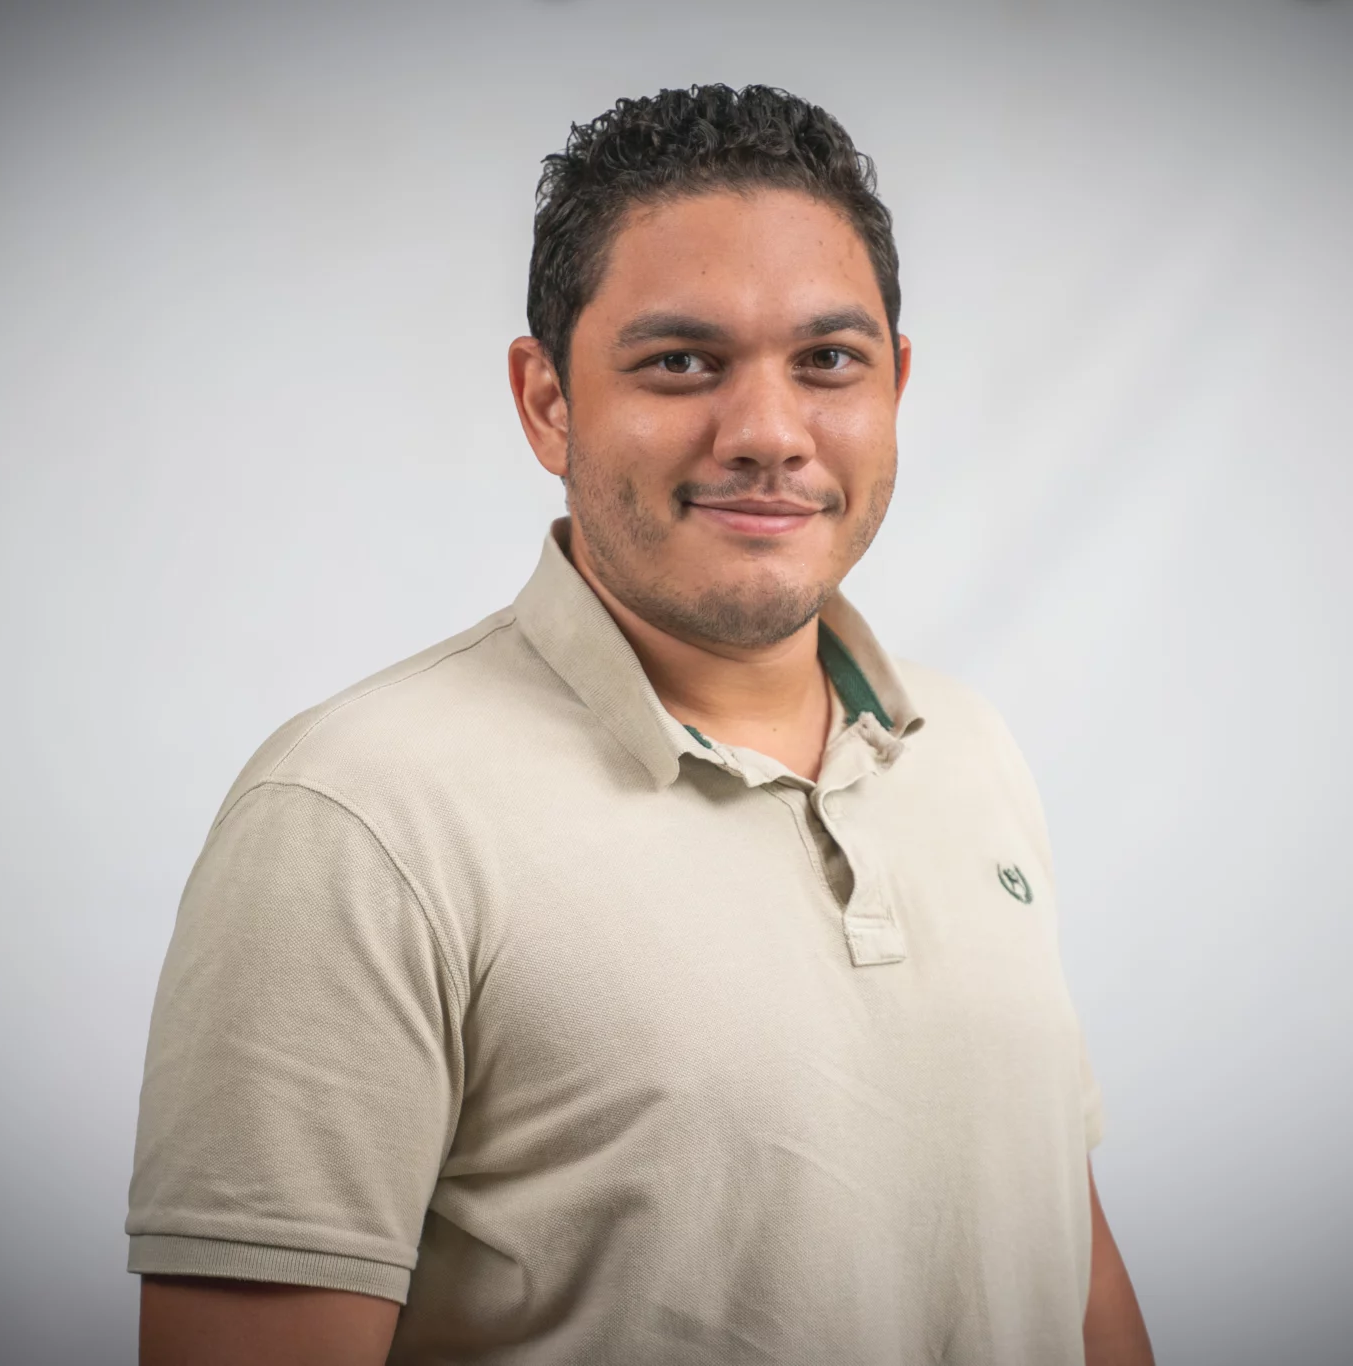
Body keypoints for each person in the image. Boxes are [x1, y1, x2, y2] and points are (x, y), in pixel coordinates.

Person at [129, 83, 1153, 1366]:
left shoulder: (965, 749)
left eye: (827, 362)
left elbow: (1064, 1259)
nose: (768, 433)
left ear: (896, 383)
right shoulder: (357, 821)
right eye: (681, 363)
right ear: (547, 400)